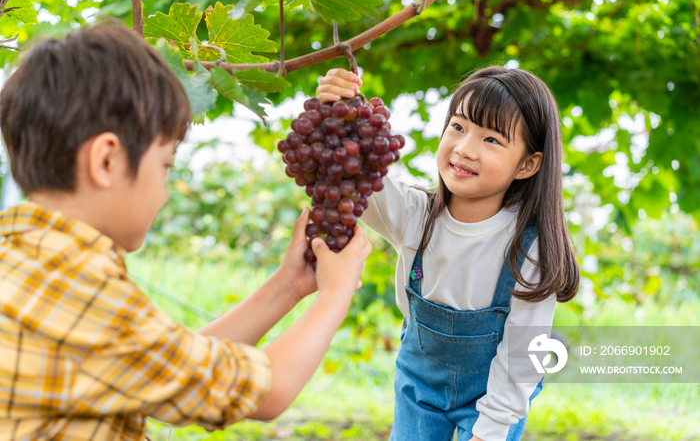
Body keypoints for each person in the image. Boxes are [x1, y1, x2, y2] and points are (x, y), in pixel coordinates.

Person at [0, 23, 372, 441]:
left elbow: (165, 362)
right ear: (106, 161)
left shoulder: (30, 263)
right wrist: (335, 293)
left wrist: (287, 287)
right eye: (165, 166)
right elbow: (268, 392)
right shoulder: (79, 288)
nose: (163, 195)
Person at [316, 67, 579, 441]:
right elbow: (349, 178)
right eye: (458, 126)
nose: (464, 148)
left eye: (491, 139)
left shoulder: (531, 248)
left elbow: (522, 357)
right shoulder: (414, 214)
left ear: (527, 164)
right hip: (419, 383)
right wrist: (334, 113)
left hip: (496, 391)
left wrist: (488, 433)